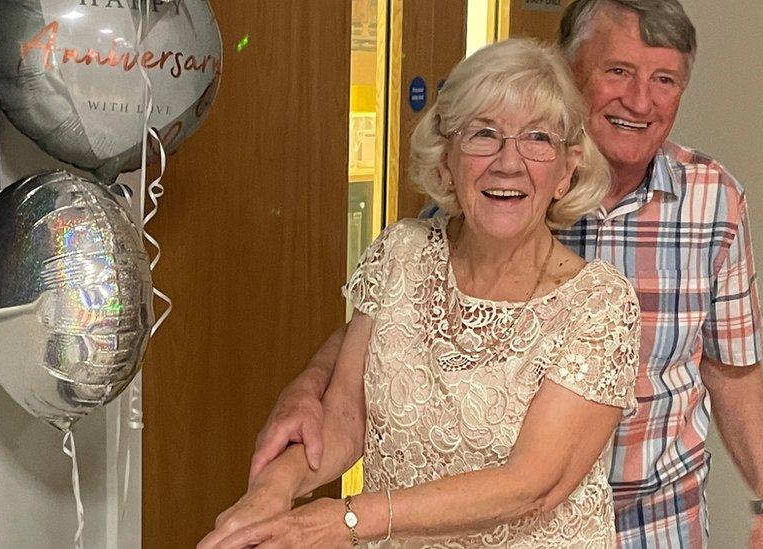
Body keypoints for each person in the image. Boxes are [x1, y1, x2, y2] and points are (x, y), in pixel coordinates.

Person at [246, 0, 763, 547]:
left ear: (566, 167)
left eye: (664, 80)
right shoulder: (439, 228)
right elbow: (390, 344)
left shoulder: (710, 202)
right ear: (570, 68)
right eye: (618, 71)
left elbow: (733, 366)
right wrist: (297, 426)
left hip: (652, 515)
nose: (639, 99)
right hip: (422, 521)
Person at [199, 38, 640, 547]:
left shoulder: (599, 304)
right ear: (446, 160)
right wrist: (273, 489)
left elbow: (528, 486)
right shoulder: (402, 252)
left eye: (537, 138)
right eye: (483, 134)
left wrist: (344, 520)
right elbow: (346, 416)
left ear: (567, 170)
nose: (508, 162)